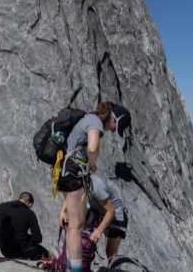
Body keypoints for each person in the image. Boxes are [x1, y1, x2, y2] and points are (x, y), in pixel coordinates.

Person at [58, 103, 130, 272]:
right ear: (112, 117)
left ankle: (74, 265)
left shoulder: (86, 119)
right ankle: (76, 268)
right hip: (109, 211)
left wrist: (64, 210)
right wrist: (91, 164)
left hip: (66, 172)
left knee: (109, 253)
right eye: (115, 126)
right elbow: (92, 147)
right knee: (77, 226)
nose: (113, 131)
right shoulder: (95, 122)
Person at [59, 174, 128, 262]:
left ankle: (115, 268)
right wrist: (62, 211)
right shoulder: (79, 182)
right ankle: (76, 257)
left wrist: (98, 231)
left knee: (110, 253)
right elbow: (71, 195)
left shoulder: (96, 187)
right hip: (99, 212)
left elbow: (111, 211)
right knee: (75, 222)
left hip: (116, 217)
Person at [0, 192, 54, 261]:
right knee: (49, 254)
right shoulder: (30, 213)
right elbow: (38, 239)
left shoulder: (2, 206)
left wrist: (3, 226)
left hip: (4, 250)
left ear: (19, 198)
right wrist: (28, 237)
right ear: (30, 204)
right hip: (20, 251)